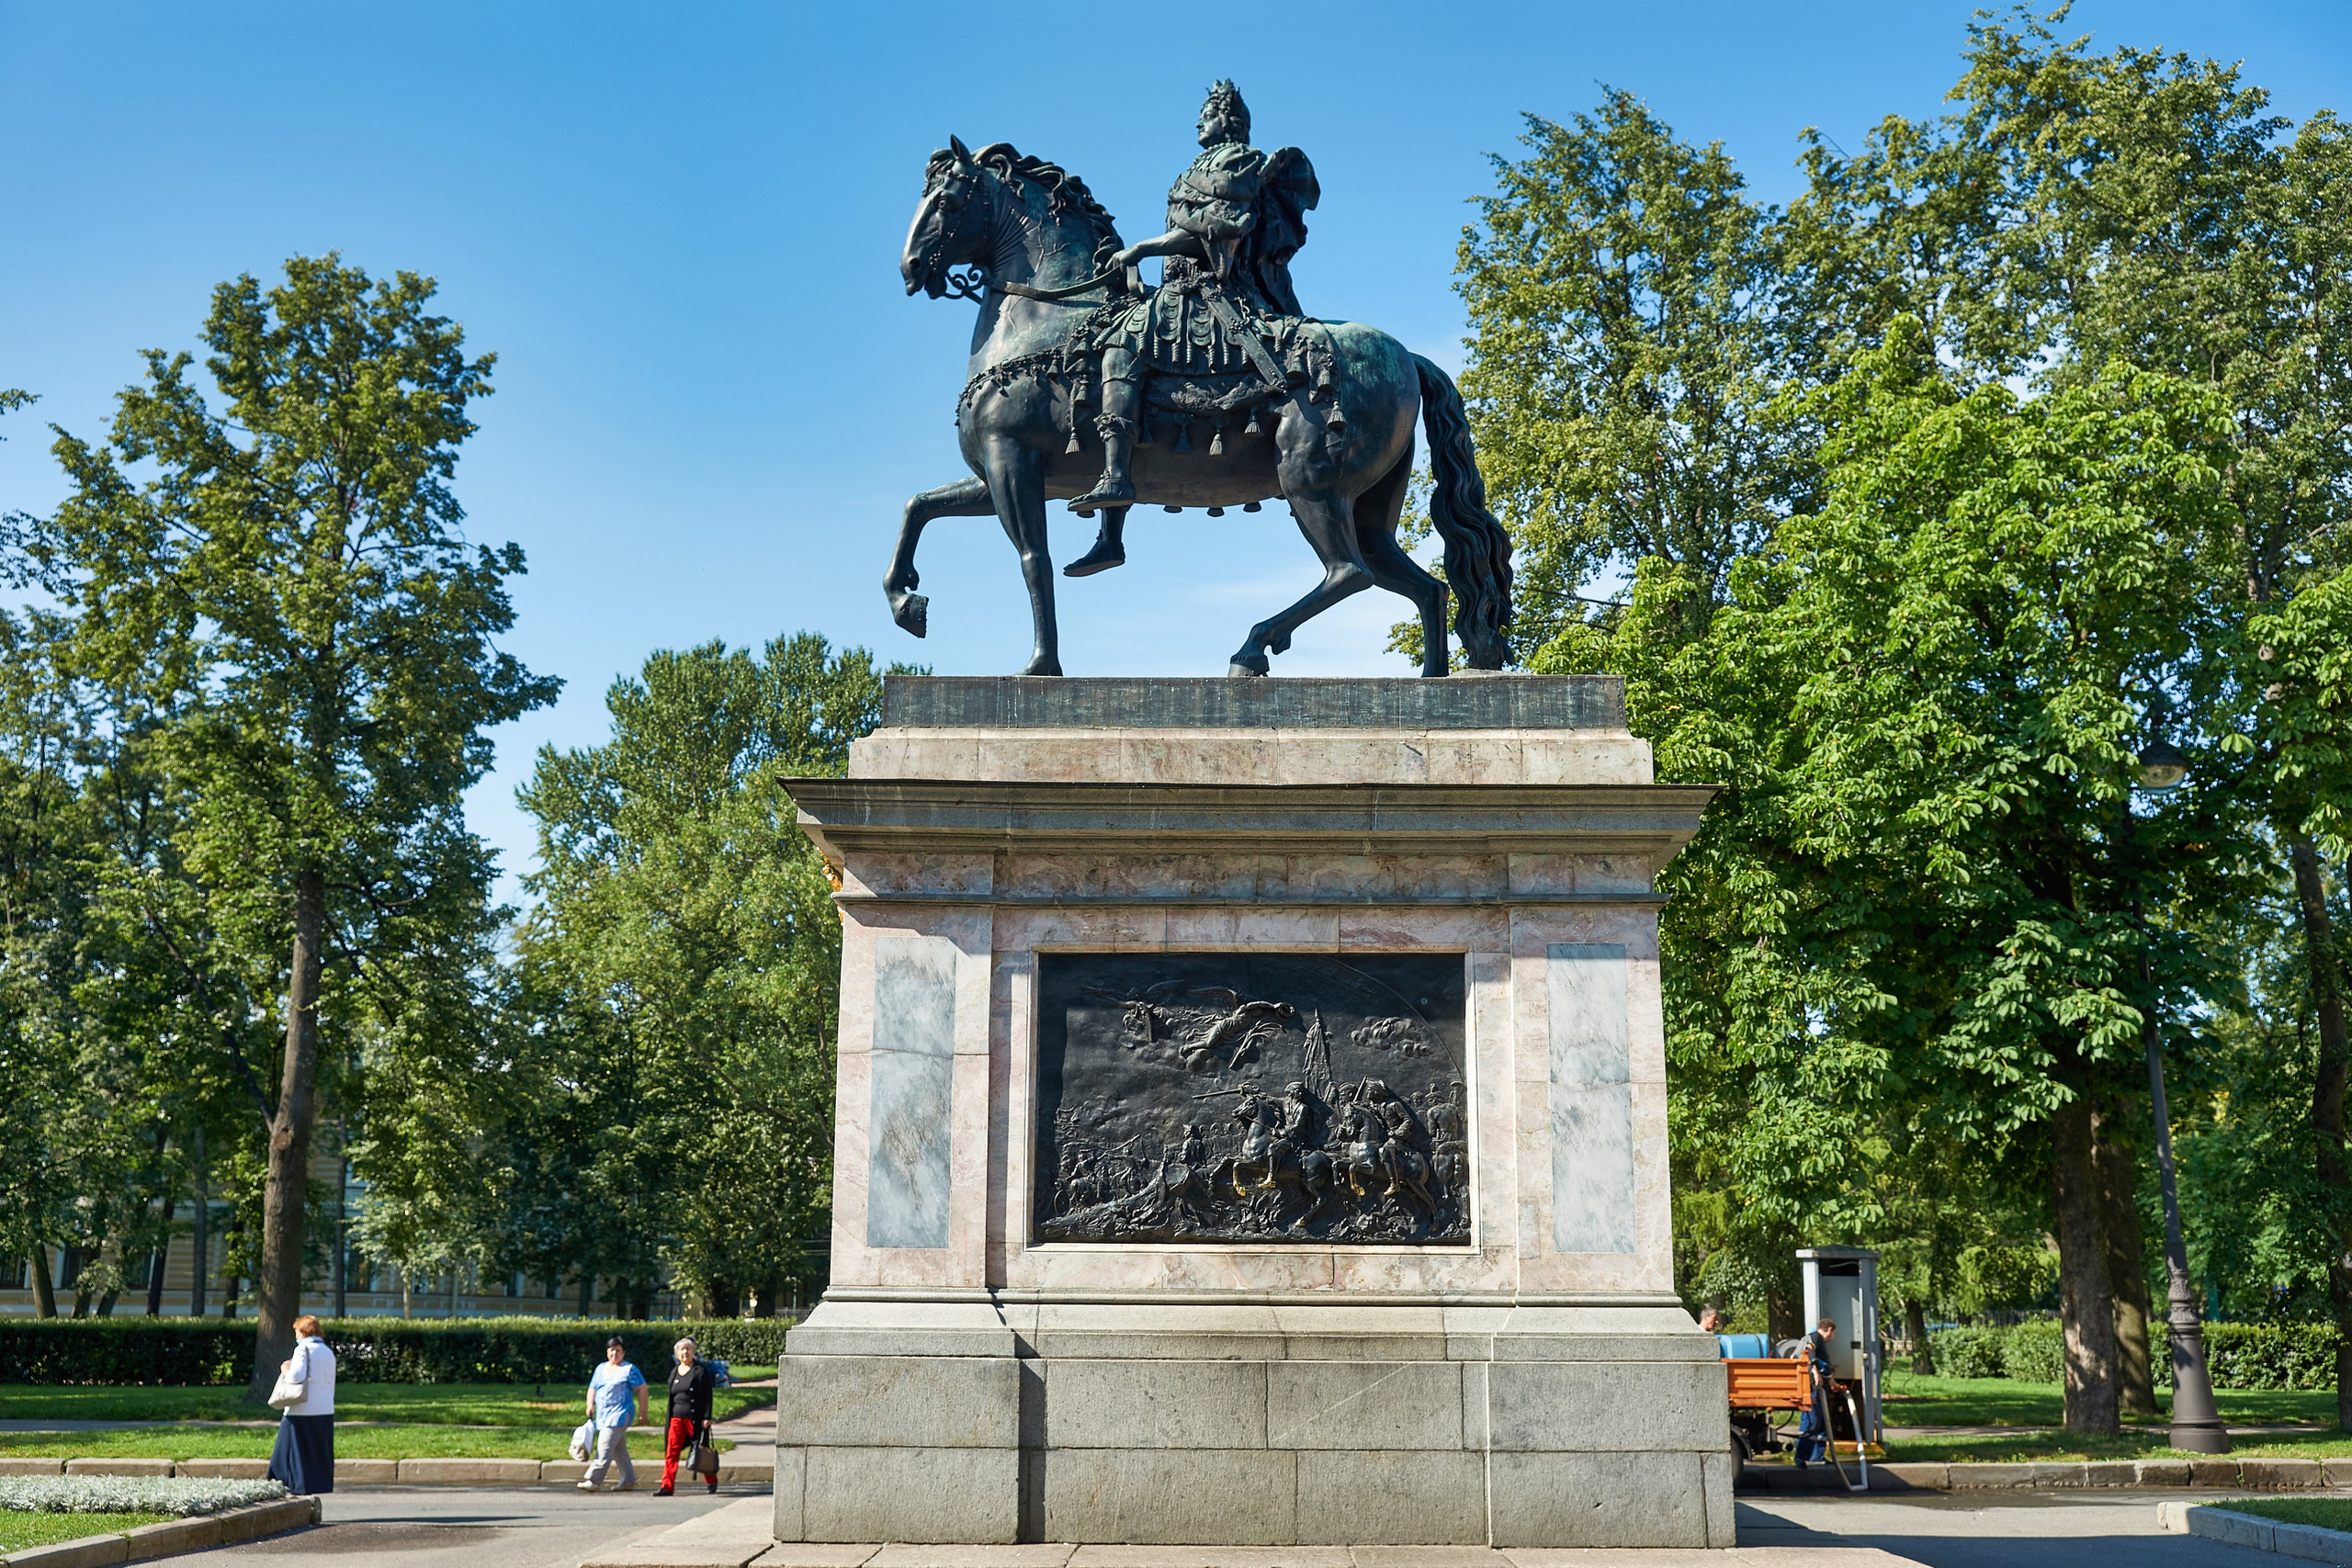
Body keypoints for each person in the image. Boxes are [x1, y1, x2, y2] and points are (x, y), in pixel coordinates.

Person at [1066, 79, 1321, 525]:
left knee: (1121, 349)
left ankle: (1117, 476)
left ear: (1230, 119)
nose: (1198, 120)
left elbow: (1220, 229)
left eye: (1207, 112)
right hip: (1179, 289)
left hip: (1214, 293)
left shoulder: (1238, 160)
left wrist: (1142, 249)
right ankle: (1110, 532)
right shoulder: (1200, 165)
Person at [266, 1314, 336, 1495]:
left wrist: (285, 1370)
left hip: (301, 1409)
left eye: (297, 1331)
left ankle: (279, 1485)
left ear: (304, 1331)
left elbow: (297, 1377)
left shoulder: (302, 1350)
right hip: (324, 1409)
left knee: (288, 1450)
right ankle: (311, 1486)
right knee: (314, 1452)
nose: (296, 1335)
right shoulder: (327, 1352)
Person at [579, 1337, 647, 1492]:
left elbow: (642, 1388)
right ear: (607, 1352)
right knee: (619, 1449)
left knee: (605, 1445)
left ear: (623, 1353)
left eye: (618, 1350)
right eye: (612, 1350)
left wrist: (643, 1412)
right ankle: (628, 1480)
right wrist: (590, 1404)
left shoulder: (629, 1369)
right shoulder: (601, 1368)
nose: (615, 1353)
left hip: (620, 1414)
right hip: (603, 1415)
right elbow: (593, 1387)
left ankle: (594, 1480)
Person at [658, 1337, 720, 1497]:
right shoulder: (674, 1372)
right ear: (677, 1353)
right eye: (681, 1349)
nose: (685, 1352)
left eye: (688, 1348)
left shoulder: (700, 1371)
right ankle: (667, 1486)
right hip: (676, 1419)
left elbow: (708, 1395)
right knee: (671, 1452)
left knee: (700, 1450)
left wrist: (707, 1416)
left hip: (695, 1419)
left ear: (693, 1351)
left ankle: (711, 1480)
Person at [1791, 1317, 1838, 1470]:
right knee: (1812, 1421)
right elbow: (1809, 1351)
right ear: (1830, 1330)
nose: (1833, 1337)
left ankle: (1817, 1456)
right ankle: (1801, 1456)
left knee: (1823, 1422)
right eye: (1834, 1334)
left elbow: (1825, 1367)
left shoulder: (1820, 1342)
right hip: (1813, 1389)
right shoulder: (1814, 1337)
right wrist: (1814, 1370)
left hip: (1821, 1389)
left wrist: (1833, 1384)